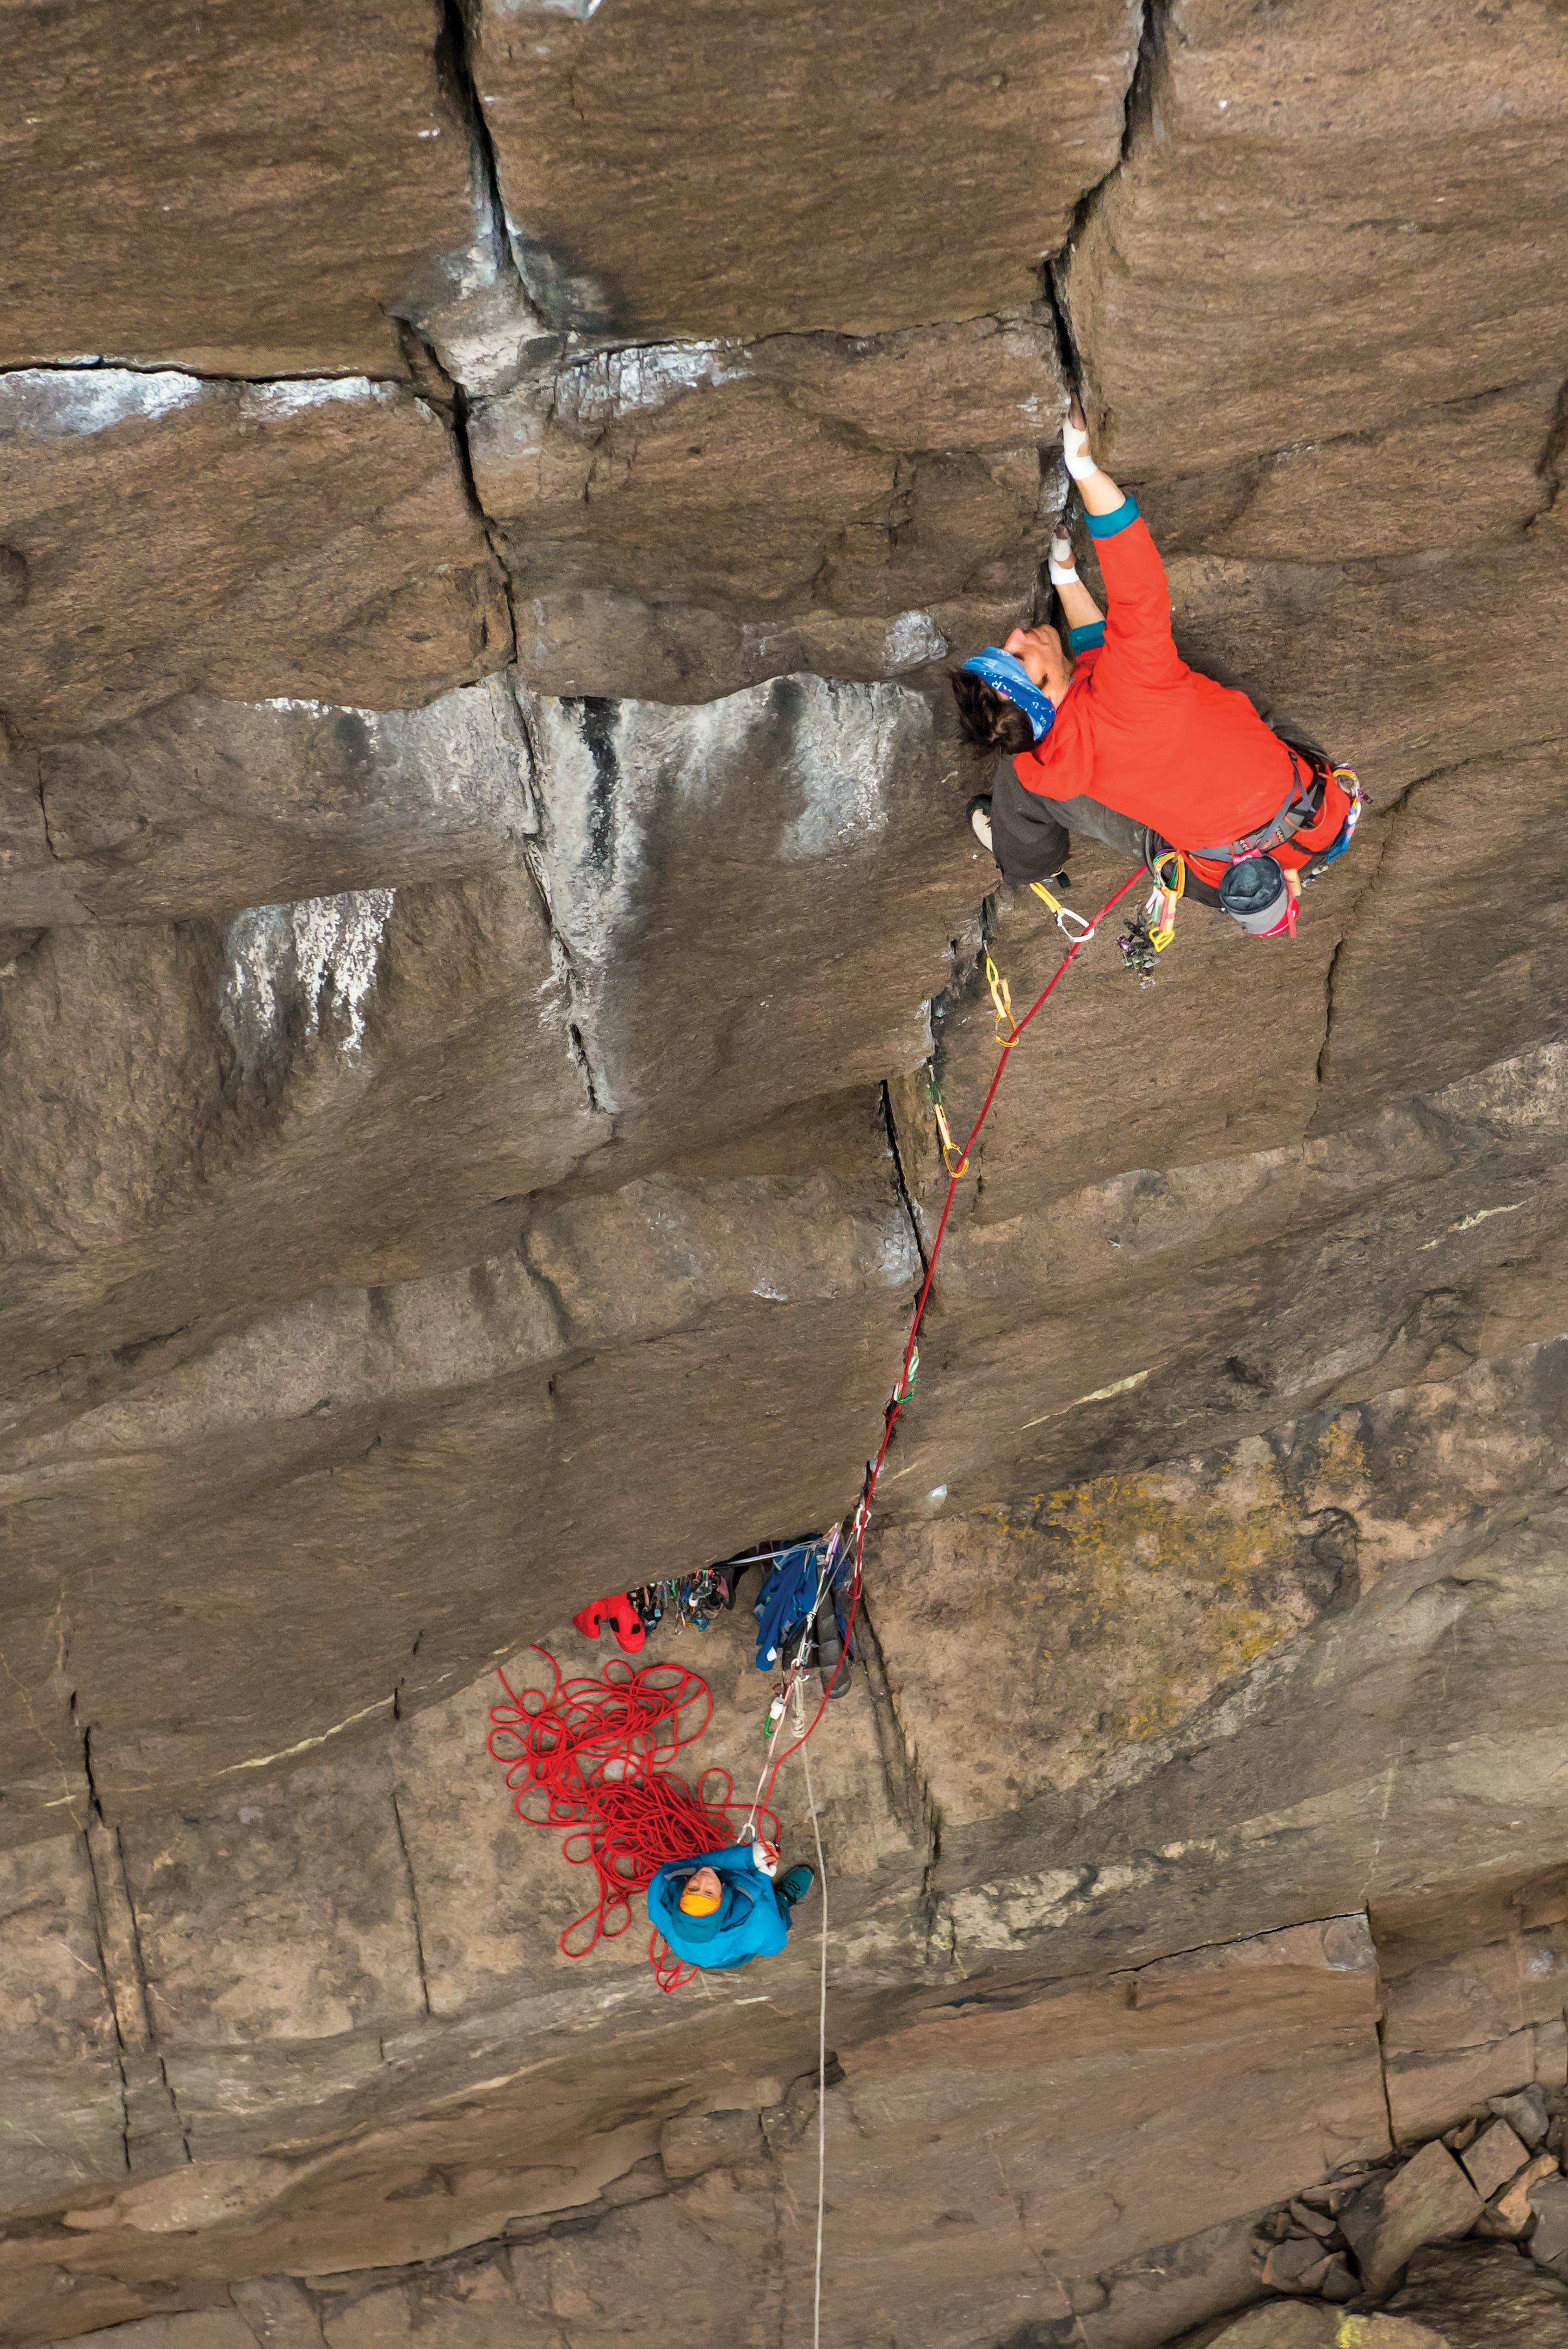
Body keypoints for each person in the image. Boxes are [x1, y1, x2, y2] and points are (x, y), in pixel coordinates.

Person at [953, 402, 1356, 930]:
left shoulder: (1039, 763)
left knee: (1031, 785)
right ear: (1045, 687)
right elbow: (1137, 589)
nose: (1013, 635)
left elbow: (1106, 671)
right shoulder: (1133, 686)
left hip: (1218, 868)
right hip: (1311, 810)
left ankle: (1027, 862)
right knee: (1200, 685)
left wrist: (1067, 580)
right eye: (1015, 654)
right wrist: (1085, 472)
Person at [647, 1838, 816, 1971]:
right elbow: (774, 1946)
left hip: (693, 1954)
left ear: (683, 1889)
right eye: (708, 1893)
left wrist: (747, 1858)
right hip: (732, 1955)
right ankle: (784, 1898)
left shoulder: (661, 1890)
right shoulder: (757, 1916)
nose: (703, 1879)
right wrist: (764, 1876)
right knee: (776, 1918)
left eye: (693, 1889)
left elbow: (697, 1864)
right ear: (723, 1896)